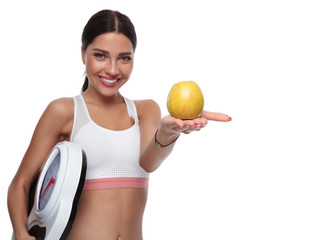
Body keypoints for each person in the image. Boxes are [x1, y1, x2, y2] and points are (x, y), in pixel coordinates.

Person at [7, 9, 231, 240]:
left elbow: (148, 163)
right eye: (100, 55)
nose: (113, 69)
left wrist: (168, 132)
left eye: (125, 58)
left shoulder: (145, 110)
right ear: (83, 54)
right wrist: (22, 234)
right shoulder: (64, 111)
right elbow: (20, 184)